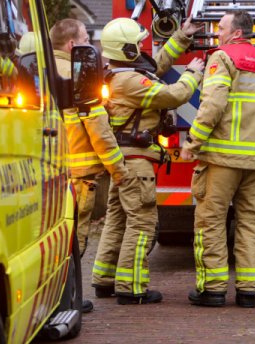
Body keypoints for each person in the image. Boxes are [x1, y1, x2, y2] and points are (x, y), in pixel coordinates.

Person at [91, 17, 205, 304]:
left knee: (117, 219)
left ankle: (104, 279)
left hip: (124, 159)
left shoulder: (118, 74)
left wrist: (181, 37)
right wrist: (192, 74)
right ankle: (131, 288)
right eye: (138, 44)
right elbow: (172, 95)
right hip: (136, 163)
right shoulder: (130, 81)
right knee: (142, 223)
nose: (142, 47)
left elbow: (155, 67)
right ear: (128, 50)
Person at [180, 10, 255, 308]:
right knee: (253, 221)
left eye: (221, 27)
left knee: (211, 220)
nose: (217, 33)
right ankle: (249, 290)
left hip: (223, 157)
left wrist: (193, 142)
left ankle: (212, 289)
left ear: (236, 32)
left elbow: (212, 104)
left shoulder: (222, 58)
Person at [50, 18, 129, 313]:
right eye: (85, 38)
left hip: (51, 173)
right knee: (75, 238)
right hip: (81, 175)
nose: (89, 44)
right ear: (72, 44)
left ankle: (56, 297)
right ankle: (67, 298)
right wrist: (120, 172)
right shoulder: (78, 75)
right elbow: (100, 132)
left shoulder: (40, 71)